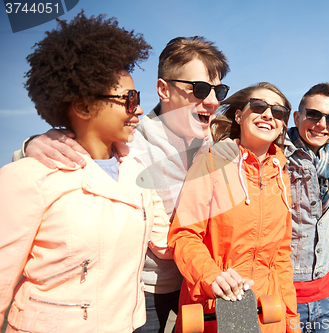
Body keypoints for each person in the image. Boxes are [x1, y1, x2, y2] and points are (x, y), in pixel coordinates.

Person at [12, 36, 231, 333]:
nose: (213, 101)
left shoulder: (215, 144)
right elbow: (70, 155)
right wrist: (32, 144)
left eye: (219, 90)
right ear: (163, 89)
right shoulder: (128, 140)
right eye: (201, 89)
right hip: (140, 292)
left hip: (196, 283)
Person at [0, 12, 173, 332]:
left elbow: (167, 243)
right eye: (128, 99)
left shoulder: (139, 173)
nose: (137, 109)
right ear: (82, 106)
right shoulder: (26, 178)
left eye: (138, 98)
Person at [167, 82, 300, 333]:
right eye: (259, 106)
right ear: (239, 115)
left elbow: (281, 256)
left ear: (282, 124)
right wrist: (212, 277)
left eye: (278, 112)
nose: (268, 115)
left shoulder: (281, 176)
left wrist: (292, 322)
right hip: (213, 310)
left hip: (267, 315)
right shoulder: (210, 162)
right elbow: (184, 235)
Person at [285, 83, 329, 333]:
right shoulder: (275, 153)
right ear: (297, 117)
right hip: (285, 292)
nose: (322, 124)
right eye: (314, 115)